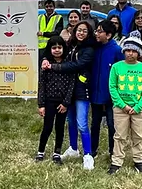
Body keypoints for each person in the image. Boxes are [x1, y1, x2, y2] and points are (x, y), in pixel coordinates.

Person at [43, 22, 95, 170]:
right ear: (74, 31)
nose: (81, 33)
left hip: (81, 91)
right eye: (79, 30)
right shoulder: (71, 45)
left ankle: (88, 155)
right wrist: (45, 60)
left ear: (89, 33)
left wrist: (54, 67)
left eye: (85, 31)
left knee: (82, 123)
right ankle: (73, 148)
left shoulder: (89, 49)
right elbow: (53, 52)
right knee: (71, 121)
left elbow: (76, 65)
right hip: (68, 91)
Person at [107, 33, 142, 174]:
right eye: (128, 50)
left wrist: (138, 106)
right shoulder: (116, 67)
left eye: (133, 51)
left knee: (138, 135)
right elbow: (112, 87)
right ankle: (116, 162)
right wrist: (123, 105)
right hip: (121, 109)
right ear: (124, 51)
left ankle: (139, 160)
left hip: (139, 109)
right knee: (119, 135)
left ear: (138, 53)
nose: (130, 54)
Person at [36, 36, 75, 164]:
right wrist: (41, 104)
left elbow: (71, 85)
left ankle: (57, 153)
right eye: (54, 48)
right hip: (49, 101)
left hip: (62, 103)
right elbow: (41, 85)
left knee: (60, 127)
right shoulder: (45, 65)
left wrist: (66, 103)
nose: (57, 50)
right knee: (47, 127)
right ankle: (40, 152)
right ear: (50, 49)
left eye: (59, 47)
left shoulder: (68, 65)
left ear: (64, 48)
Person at [90, 20, 124, 157]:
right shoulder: (95, 48)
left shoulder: (116, 50)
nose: (96, 34)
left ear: (108, 35)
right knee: (95, 123)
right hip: (95, 93)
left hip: (111, 96)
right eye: (96, 30)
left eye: (99, 31)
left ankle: (113, 151)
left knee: (111, 124)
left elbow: (121, 74)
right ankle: (92, 150)